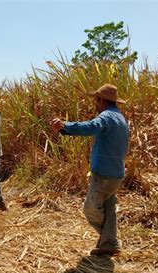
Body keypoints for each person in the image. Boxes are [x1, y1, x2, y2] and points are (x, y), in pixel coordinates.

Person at [50, 83, 129, 257]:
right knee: (109, 208)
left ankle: (109, 240)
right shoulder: (121, 118)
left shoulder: (106, 117)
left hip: (104, 174)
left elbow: (89, 127)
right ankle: (109, 243)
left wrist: (65, 125)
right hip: (117, 173)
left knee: (90, 209)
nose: (95, 103)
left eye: (96, 99)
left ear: (101, 100)